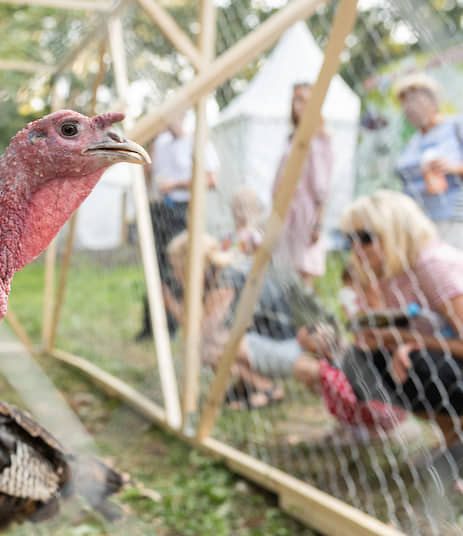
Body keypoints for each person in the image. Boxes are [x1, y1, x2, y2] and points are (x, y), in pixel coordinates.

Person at [296, 190, 463, 444]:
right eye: (350, 238)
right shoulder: (396, 271)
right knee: (363, 360)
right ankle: (452, 443)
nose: (356, 247)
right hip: (442, 356)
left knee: (419, 367)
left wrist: (403, 338)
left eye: (365, 237)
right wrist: (394, 340)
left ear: (394, 232)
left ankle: (454, 450)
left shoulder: (432, 264)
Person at [166, 231, 336, 409]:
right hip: (285, 339)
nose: (176, 274)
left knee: (206, 346)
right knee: (215, 340)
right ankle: (249, 385)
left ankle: (266, 388)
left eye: (177, 267)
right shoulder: (233, 267)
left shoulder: (227, 276)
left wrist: (172, 303)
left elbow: (202, 330)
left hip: (293, 345)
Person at [136, 113, 220, 341]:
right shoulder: (160, 144)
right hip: (160, 209)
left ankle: (172, 325)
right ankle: (150, 325)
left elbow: (212, 180)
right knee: (155, 267)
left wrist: (177, 184)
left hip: (183, 209)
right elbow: (145, 167)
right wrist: (147, 190)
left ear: (182, 116)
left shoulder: (197, 141)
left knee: (179, 269)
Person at [272, 82, 334, 287]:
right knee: (286, 271)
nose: (298, 105)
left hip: (306, 212)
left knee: (304, 271)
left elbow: (322, 184)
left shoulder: (320, 138)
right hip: (286, 210)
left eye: (303, 100)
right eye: (295, 100)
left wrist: (318, 221)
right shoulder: (292, 137)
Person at [394, 72, 463, 249]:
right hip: (417, 223)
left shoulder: (455, 127)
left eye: (414, 100)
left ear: (433, 101)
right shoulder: (413, 141)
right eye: (404, 103)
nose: (408, 108)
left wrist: (454, 168)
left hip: (452, 220)